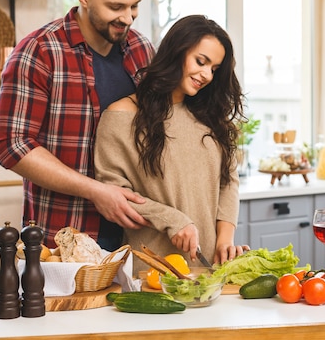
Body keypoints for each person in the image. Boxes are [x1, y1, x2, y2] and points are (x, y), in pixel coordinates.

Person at [0, 0, 155, 251]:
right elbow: (12, 146)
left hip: (137, 237)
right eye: (116, 7)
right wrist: (96, 191)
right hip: (64, 239)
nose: (129, 18)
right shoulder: (39, 51)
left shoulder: (142, 50)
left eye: (134, 5)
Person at [94, 15, 248, 271]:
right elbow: (115, 195)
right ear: (177, 51)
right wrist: (172, 220)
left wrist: (225, 240)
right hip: (154, 271)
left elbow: (228, 181)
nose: (207, 75)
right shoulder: (121, 117)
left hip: (211, 271)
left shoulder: (211, 118)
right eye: (201, 62)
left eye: (215, 69)